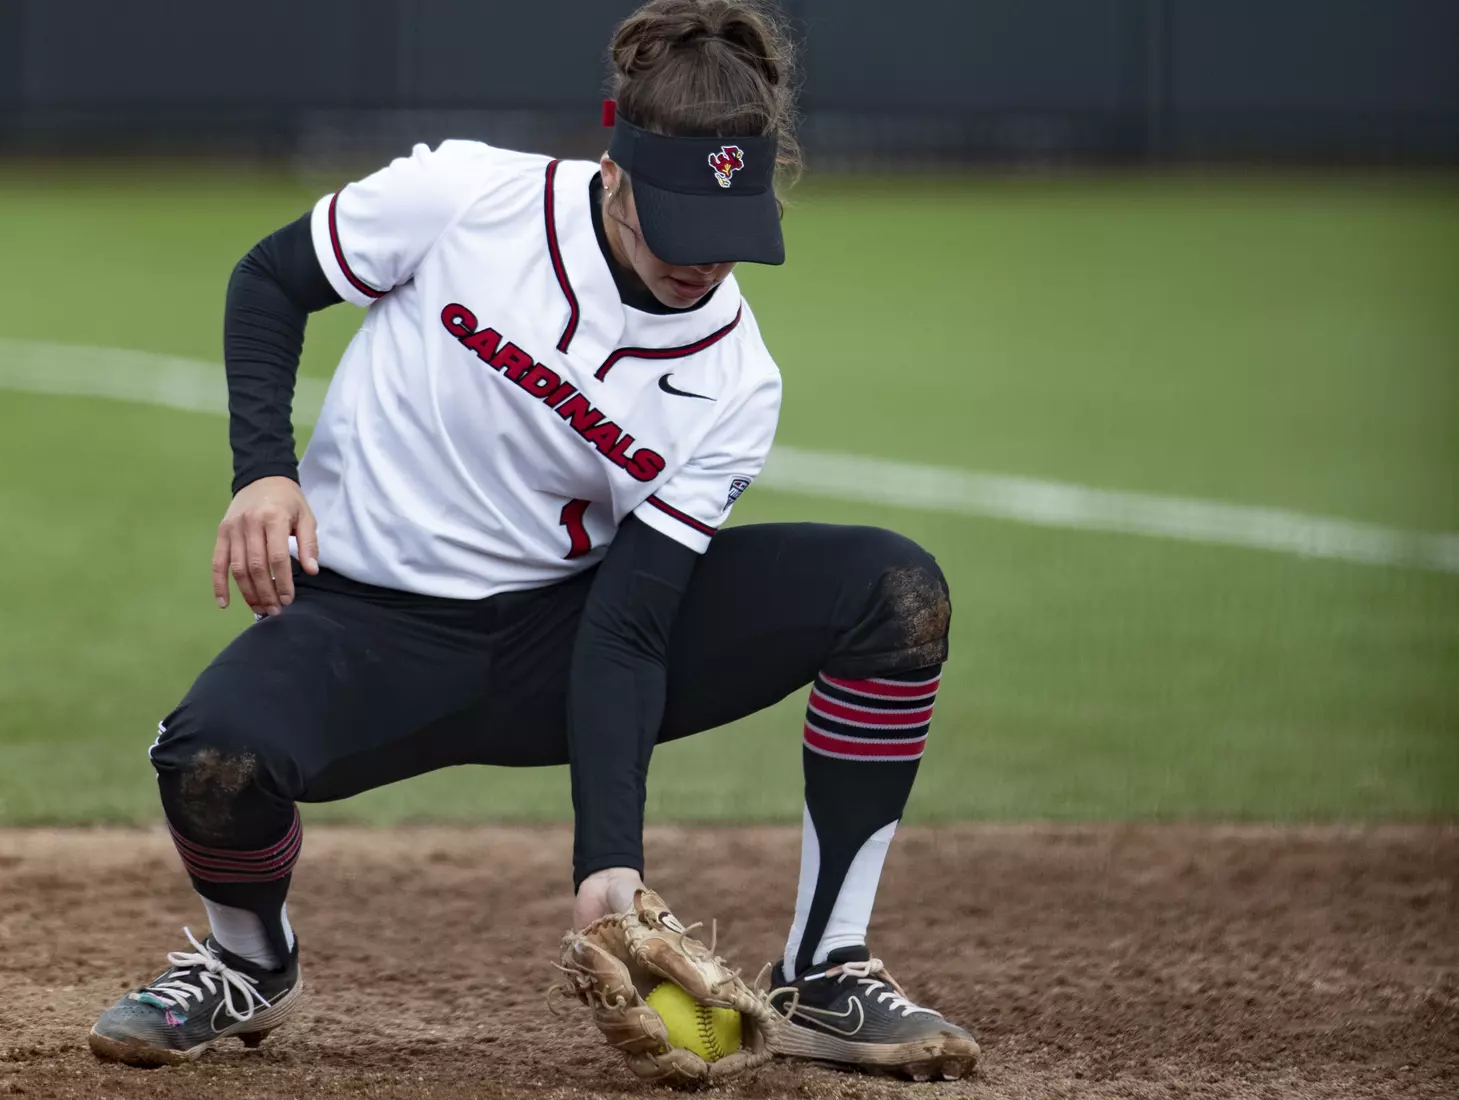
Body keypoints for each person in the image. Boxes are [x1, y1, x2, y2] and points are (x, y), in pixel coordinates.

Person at [88, 0, 978, 1081]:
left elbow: (630, 623)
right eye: (678, 229)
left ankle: (823, 968)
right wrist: (262, 472)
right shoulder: (465, 197)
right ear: (615, 176)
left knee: (891, 590)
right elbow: (269, 281)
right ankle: (249, 965)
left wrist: (608, 870)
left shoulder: (732, 379)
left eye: (729, 235)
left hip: (571, 632)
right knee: (210, 759)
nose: (702, 265)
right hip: (369, 626)